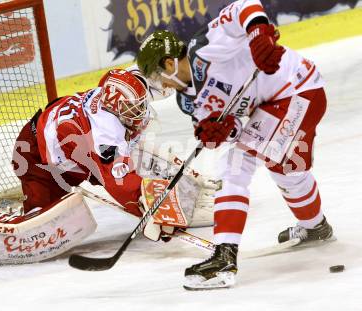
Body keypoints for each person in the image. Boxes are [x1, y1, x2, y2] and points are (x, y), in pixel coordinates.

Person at [136, 0, 333, 290]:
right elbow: (226, 132)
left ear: (169, 64)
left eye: (156, 76)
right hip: (278, 104)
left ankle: (224, 257)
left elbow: (246, 5)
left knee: (235, 166)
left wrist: (259, 35)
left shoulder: (206, 47)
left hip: (298, 88)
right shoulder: (188, 100)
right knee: (288, 172)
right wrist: (223, 131)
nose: (160, 85)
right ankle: (317, 227)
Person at [0, 69, 218, 272]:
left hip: (76, 154)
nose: (139, 114)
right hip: (38, 160)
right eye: (132, 109)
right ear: (115, 107)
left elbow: (142, 84)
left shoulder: (112, 99)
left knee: (136, 160)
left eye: (139, 106)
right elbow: (120, 184)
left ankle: (189, 193)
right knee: (42, 225)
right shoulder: (104, 133)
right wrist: (148, 209)